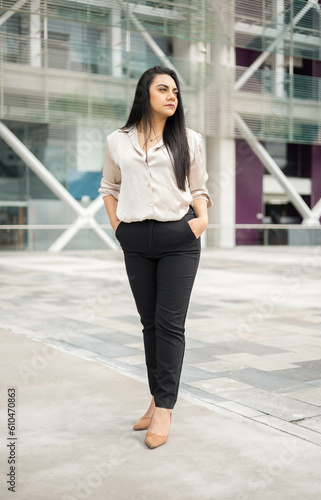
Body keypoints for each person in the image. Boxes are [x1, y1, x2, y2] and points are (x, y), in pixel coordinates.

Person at [98, 66, 212, 449]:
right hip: (135, 238)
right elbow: (109, 186)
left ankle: (164, 407)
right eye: (163, 89)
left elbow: (199, 186)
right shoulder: (117, 140)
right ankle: (155, 396)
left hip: (178, 237)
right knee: (149, 324)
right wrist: (117, 227)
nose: (171, 96)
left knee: (169, 323)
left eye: (175, 92)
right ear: (144, 94)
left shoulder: (189, 139)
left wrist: (201, 221)